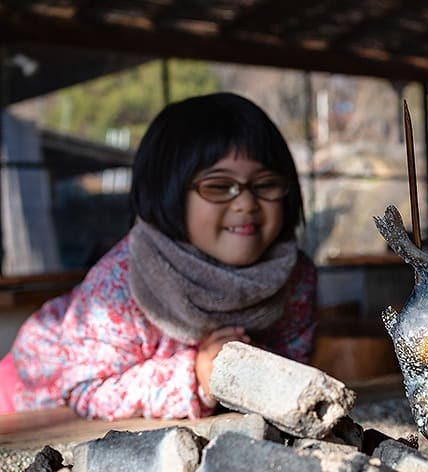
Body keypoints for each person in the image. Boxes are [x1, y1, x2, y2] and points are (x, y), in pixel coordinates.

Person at [0, 93, 316, 420]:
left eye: (265, 184)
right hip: (27, 403)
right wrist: (197, 377)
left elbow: (293, 369)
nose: (246, 203)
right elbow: (85, 390)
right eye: (219, 186)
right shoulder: (122, 282)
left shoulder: (295, 277)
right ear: (168, 194)